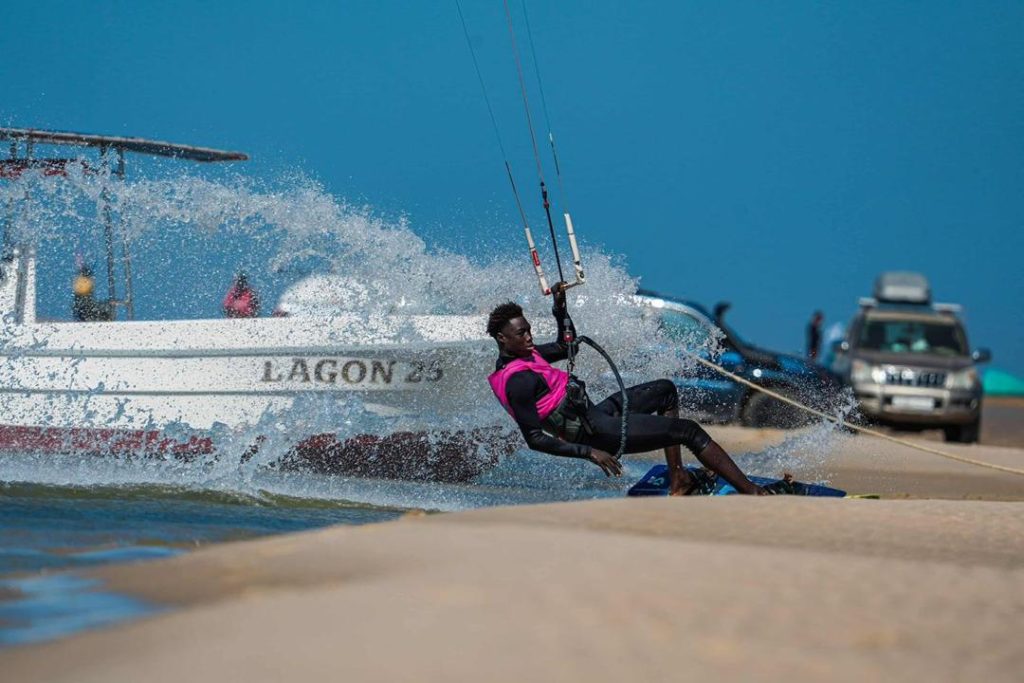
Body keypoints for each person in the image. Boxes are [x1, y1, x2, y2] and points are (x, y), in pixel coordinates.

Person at [487, 284, 766, 495]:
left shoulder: (528, 354)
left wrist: (560, 312)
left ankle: (678, 478)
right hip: (596, 433)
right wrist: (589, 452)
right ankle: (752, 492)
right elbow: (535, 439)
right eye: (521, 333)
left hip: (595, 415)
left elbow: (566, 347)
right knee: (689, 431)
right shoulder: (517, 381)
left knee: (666, 390)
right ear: (502, 338)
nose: (529, 337)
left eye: (529, 330)